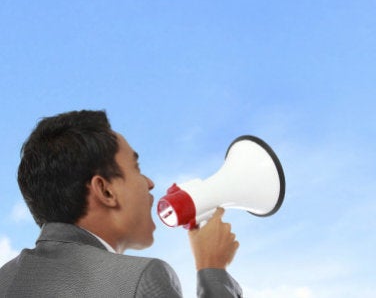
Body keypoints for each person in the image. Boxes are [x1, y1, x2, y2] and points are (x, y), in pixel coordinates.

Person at [0, 110, 242, 297]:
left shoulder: (5, 278)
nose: (149, 182)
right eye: (136, 168)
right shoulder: (142, 279)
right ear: (105, 190)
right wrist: (212, 269)